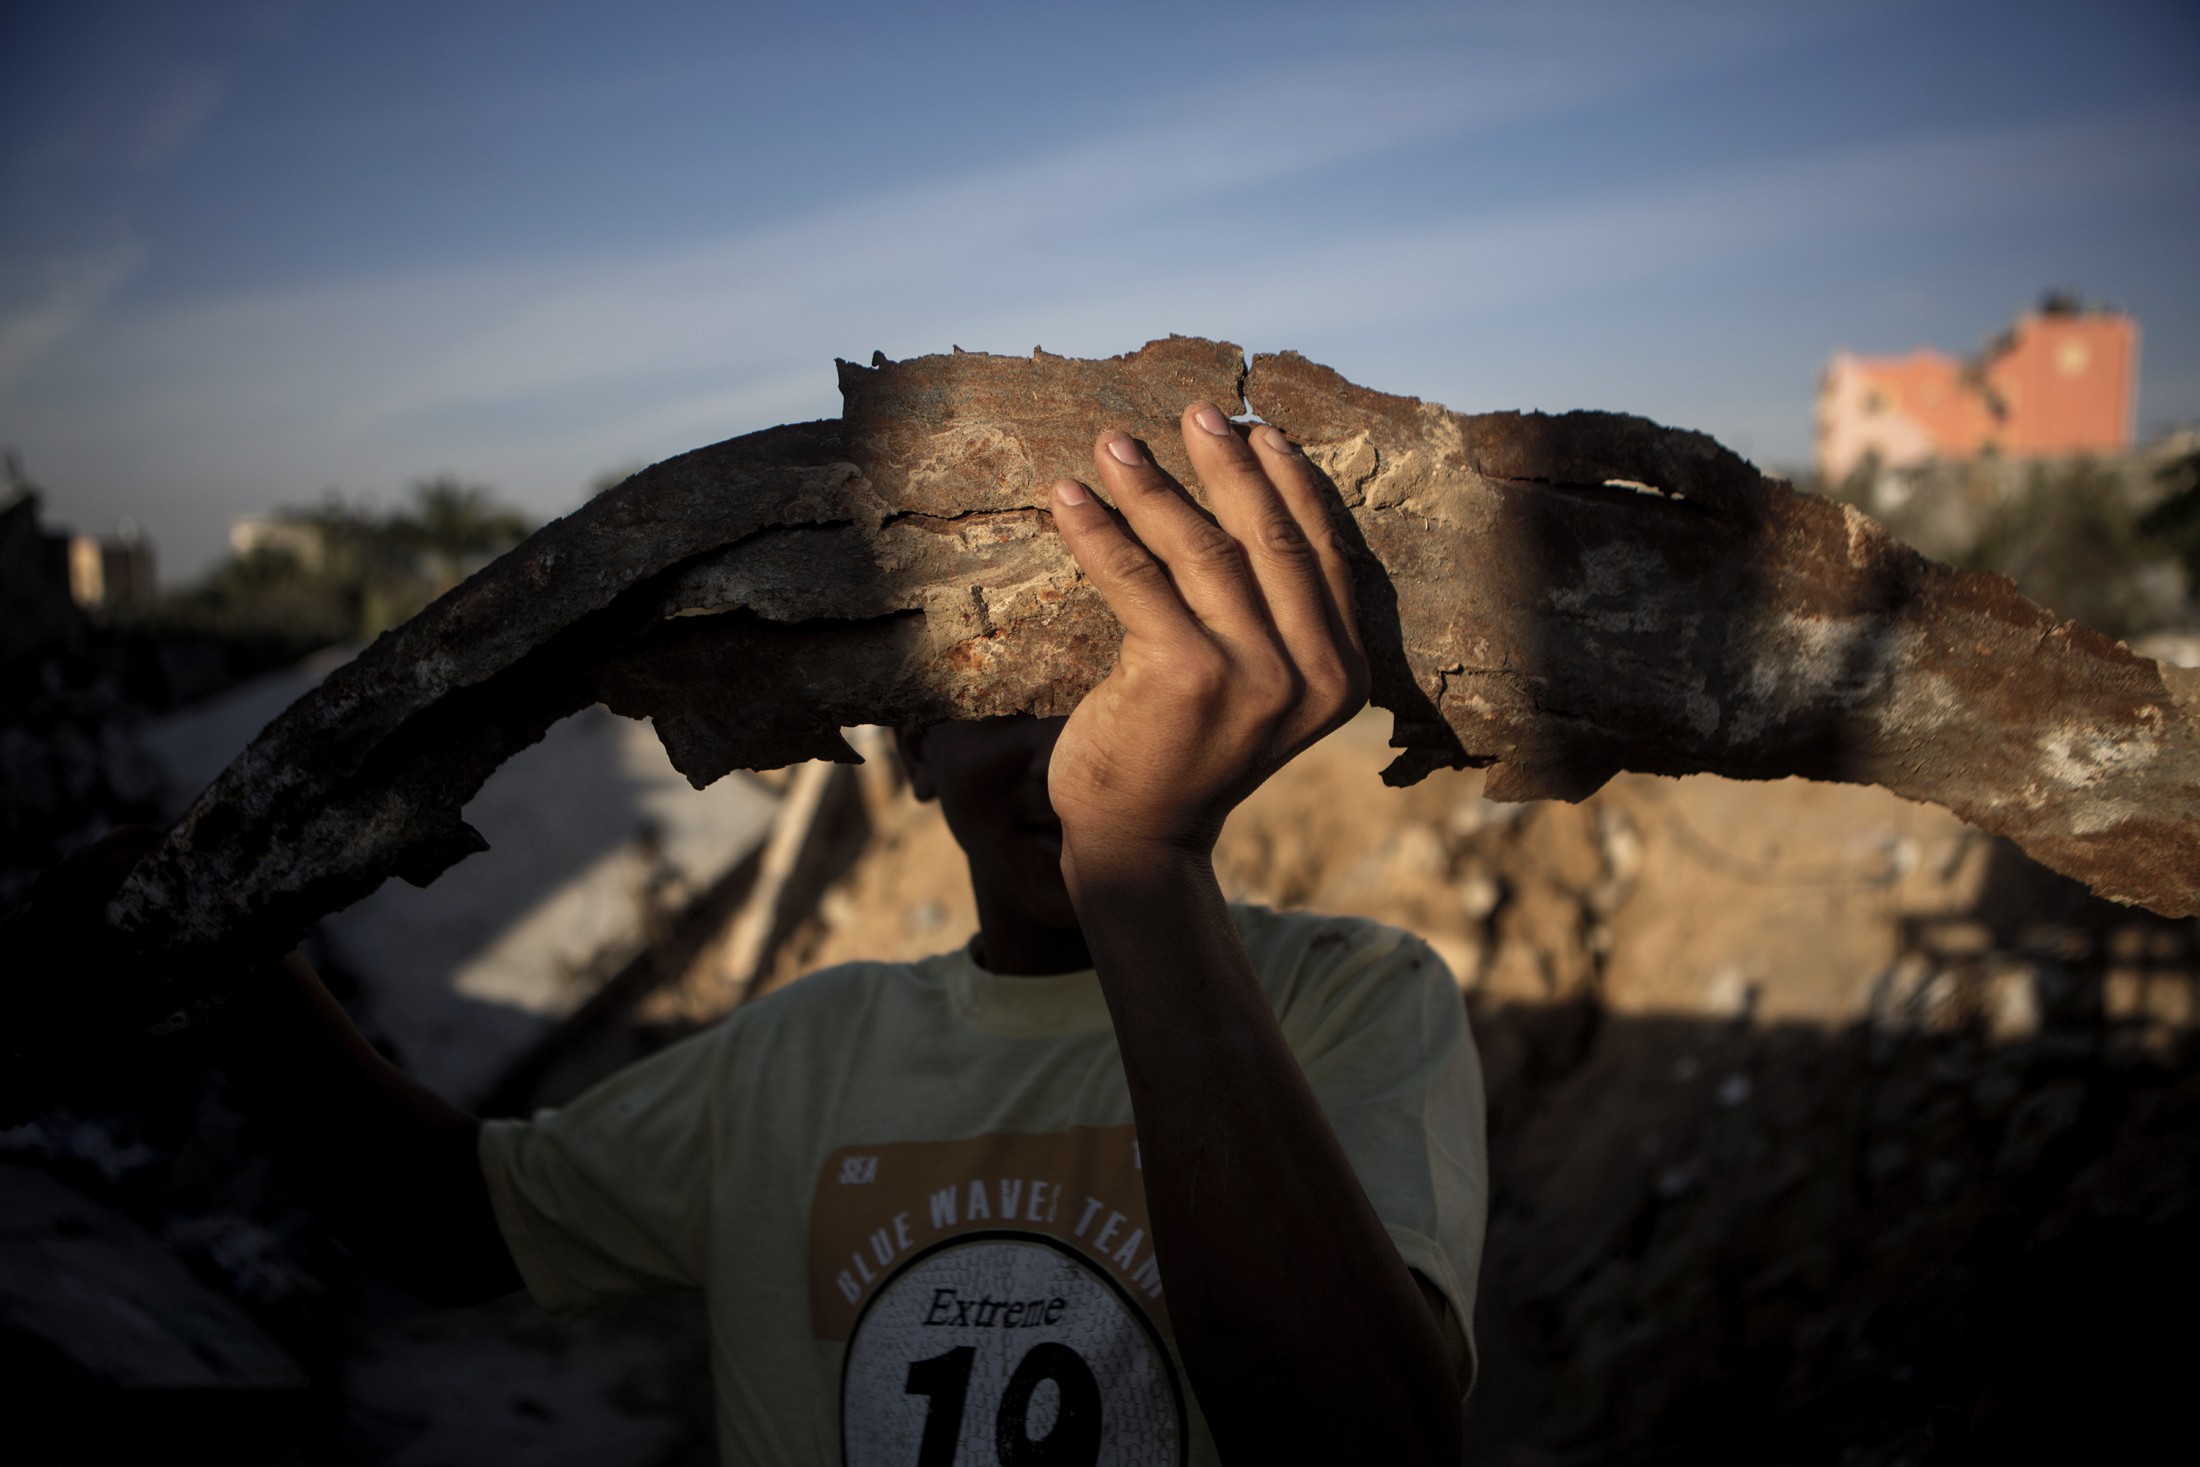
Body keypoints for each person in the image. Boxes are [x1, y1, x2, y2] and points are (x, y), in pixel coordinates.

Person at [181, 405, 1488, 1463]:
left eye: (1113, 681)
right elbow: (446, 1225)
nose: (1074, 750)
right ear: (913, 742)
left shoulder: (1355, 1001)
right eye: (1014, 686)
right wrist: (207, 945)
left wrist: (1137, 861)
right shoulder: (797, 1057)